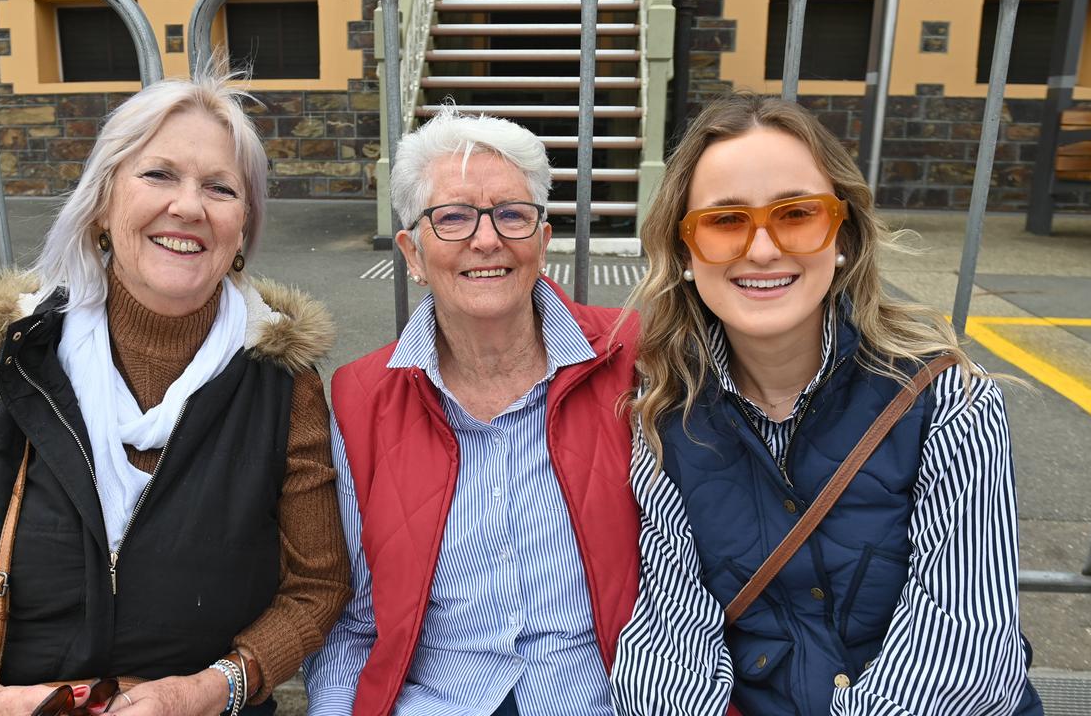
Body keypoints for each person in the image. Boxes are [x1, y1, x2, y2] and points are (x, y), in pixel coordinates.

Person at [0, 70, 350, 716]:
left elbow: (315, 588)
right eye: (158, 175)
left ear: (243, 228)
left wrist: (210, 691)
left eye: (220, 187)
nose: (189, 206)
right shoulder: (17, 357)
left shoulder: (281, 381)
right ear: (103, 204)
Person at [609, 92, 1043, 716]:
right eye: (725, 221)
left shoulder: (949, 402)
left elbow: (968, 653)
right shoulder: (664, 419)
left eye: (796, 214)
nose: (761, 251)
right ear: (683, 254)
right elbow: (671, 643)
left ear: (841, 235)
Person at [302, 108, 641, 715]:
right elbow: (352, 617)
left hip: (604, 698)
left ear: (542, 237)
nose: (487, 239)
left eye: (512, 214)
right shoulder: (361, 396)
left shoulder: (631, 359)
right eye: (452, 217)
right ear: (411, 251)